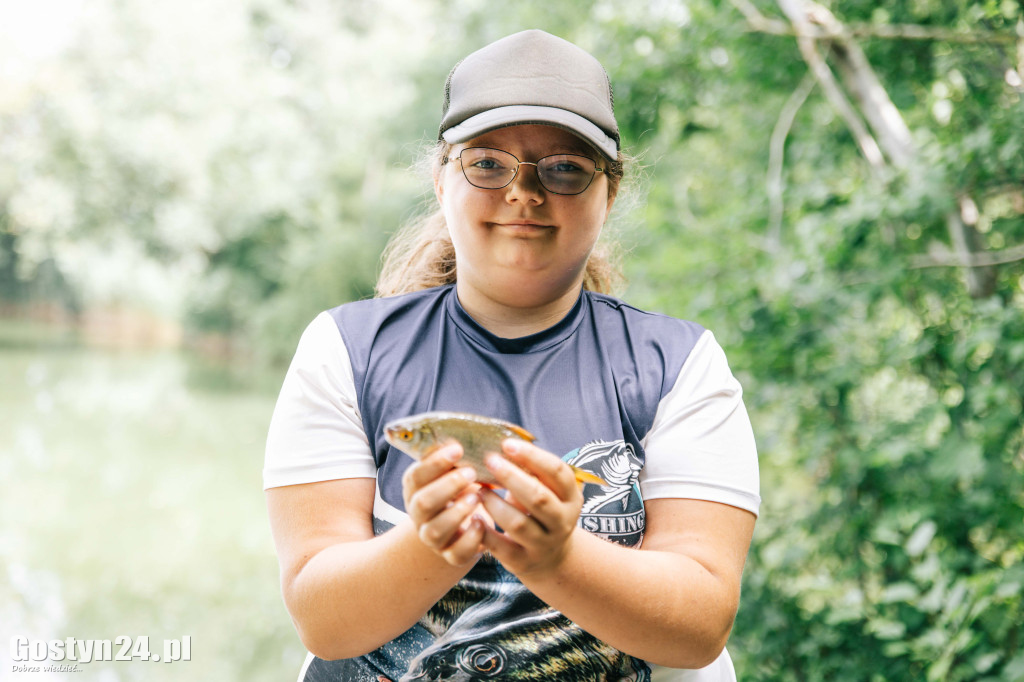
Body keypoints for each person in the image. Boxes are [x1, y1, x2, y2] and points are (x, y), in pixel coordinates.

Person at [264, 29, 760, 682]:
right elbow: (323, 621)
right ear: (443, 180)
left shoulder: (679, 365)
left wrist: (557, 557)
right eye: (489, 165)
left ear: (608, 193)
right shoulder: (345, 351)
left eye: (564, 169)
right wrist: (432, 542)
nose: (523, 193)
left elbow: (700, 626)